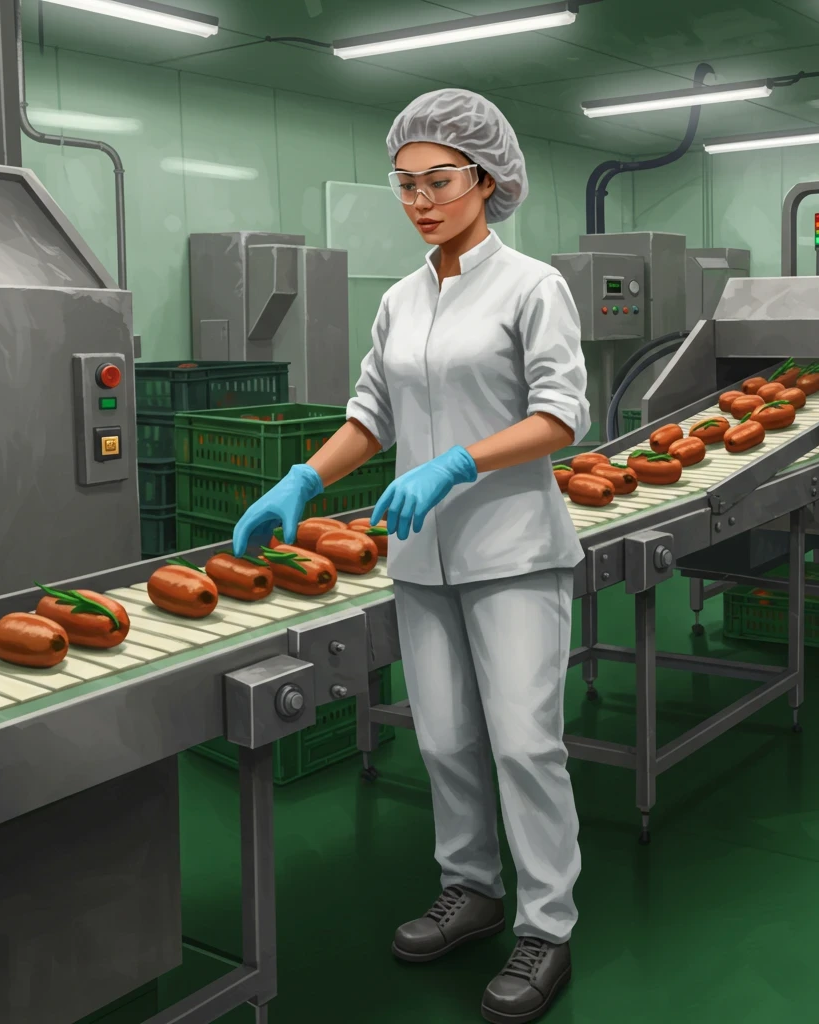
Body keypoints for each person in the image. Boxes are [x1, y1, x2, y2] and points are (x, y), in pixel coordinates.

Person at [232, 87, 590, 1024]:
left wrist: (462, 462)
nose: (421, 198)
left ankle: (546, 927)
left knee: (525, 744)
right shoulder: (398, 301)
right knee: (443, 739)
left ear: (489, 178)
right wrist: (303, 481)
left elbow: (563, 414)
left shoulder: (532, 286)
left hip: (513, 551)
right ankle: (469, 888)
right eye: (404, 183)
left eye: (440, 179)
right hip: (422, 559)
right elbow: (370, 418)